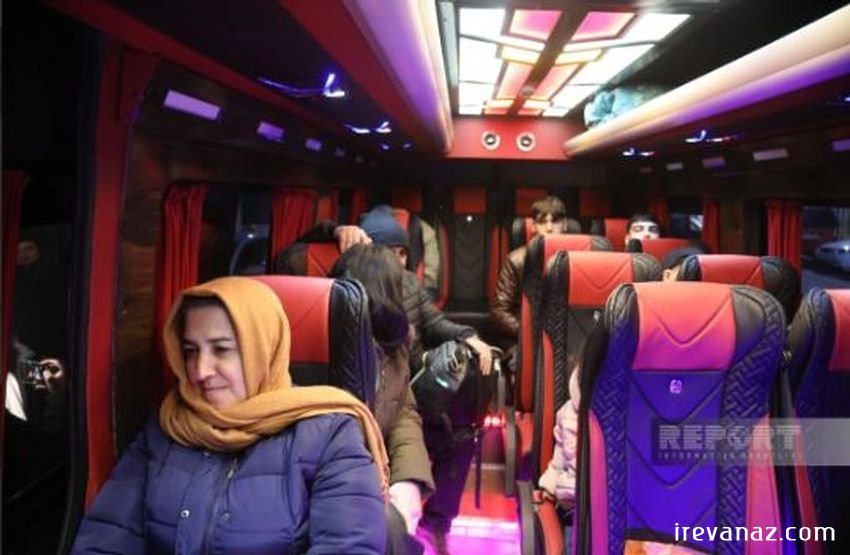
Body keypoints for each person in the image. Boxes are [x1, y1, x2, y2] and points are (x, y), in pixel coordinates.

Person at [71, 276, 388, 554]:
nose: (200, 371)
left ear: (261, 350)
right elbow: (108, 537)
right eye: (191, 351)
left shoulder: (329, 434)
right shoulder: (169, 425)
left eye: (221, 349)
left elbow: (348, 546)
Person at [277, 205, 496, 554]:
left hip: (408, 387)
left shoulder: (405, 295)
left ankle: (436, 523)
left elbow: (432, 329)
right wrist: (332, 231)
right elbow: (288, 257)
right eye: (387, 249)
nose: (397, 259)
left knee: (458, 431)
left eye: (402, 252)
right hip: (349, 451)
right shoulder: (319, 325)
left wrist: (467, 335)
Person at [331, 244, 435, 554]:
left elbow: (404, 411)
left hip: (378, 476)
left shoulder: (395, 346)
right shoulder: (323, 348)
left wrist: (408, 480)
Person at [490, 195, 569, 351]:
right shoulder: (516, 260)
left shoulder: (576, 261)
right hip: (523, 341)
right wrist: (529, 333)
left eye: (555, 221)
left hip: (566, 342)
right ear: (533, 226)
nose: (549, 228)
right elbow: (499, 311)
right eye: (542, 222)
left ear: (565, 225)